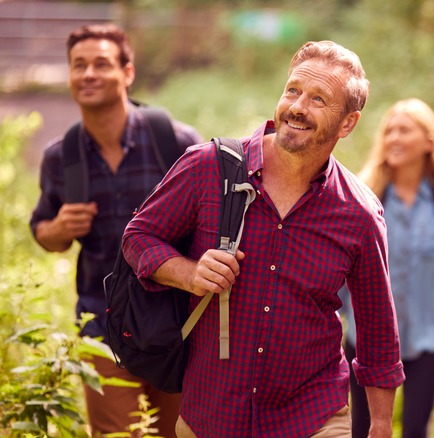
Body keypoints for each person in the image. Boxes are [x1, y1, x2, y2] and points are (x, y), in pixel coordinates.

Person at [122, 40, 404, 438]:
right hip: (212, 414)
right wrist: (189, 273)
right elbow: (139, 236)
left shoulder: (359, 212)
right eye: (293, 90)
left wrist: (380, 424)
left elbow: (377, 328)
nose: (298, 107)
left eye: (318, 99)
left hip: (314, 417)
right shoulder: (207, 167)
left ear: (347, 123)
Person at [29, 24, 202, 437]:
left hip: (177, 327)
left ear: (127, 72)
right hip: (101, 327)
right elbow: (43, 231)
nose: (88, 74)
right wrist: (60, 228)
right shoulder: (61, 157)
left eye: (101, 64)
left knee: (182, 433)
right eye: (79, 65)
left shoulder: (175, 142)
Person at [339, 98, 434, 438]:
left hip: (426, 339)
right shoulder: (363, 198)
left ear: (429, 141)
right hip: (366, 342)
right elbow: (339, 271)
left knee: (416, 430)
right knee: (363, 430)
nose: (394, 138)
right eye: (389, 131)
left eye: (404, 130)